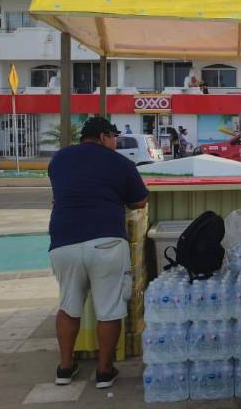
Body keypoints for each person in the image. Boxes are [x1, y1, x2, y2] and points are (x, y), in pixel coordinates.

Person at [48, 116, 148, 389]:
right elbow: (140, 199)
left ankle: (65, 368)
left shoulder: (59, 160)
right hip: (106, 242)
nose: (115, 142)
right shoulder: (120, 163)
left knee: (68, 306)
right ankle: (104, 372)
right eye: (113, 137)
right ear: (103, 137)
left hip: (64, 243)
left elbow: (60, 194)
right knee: (109, 309)